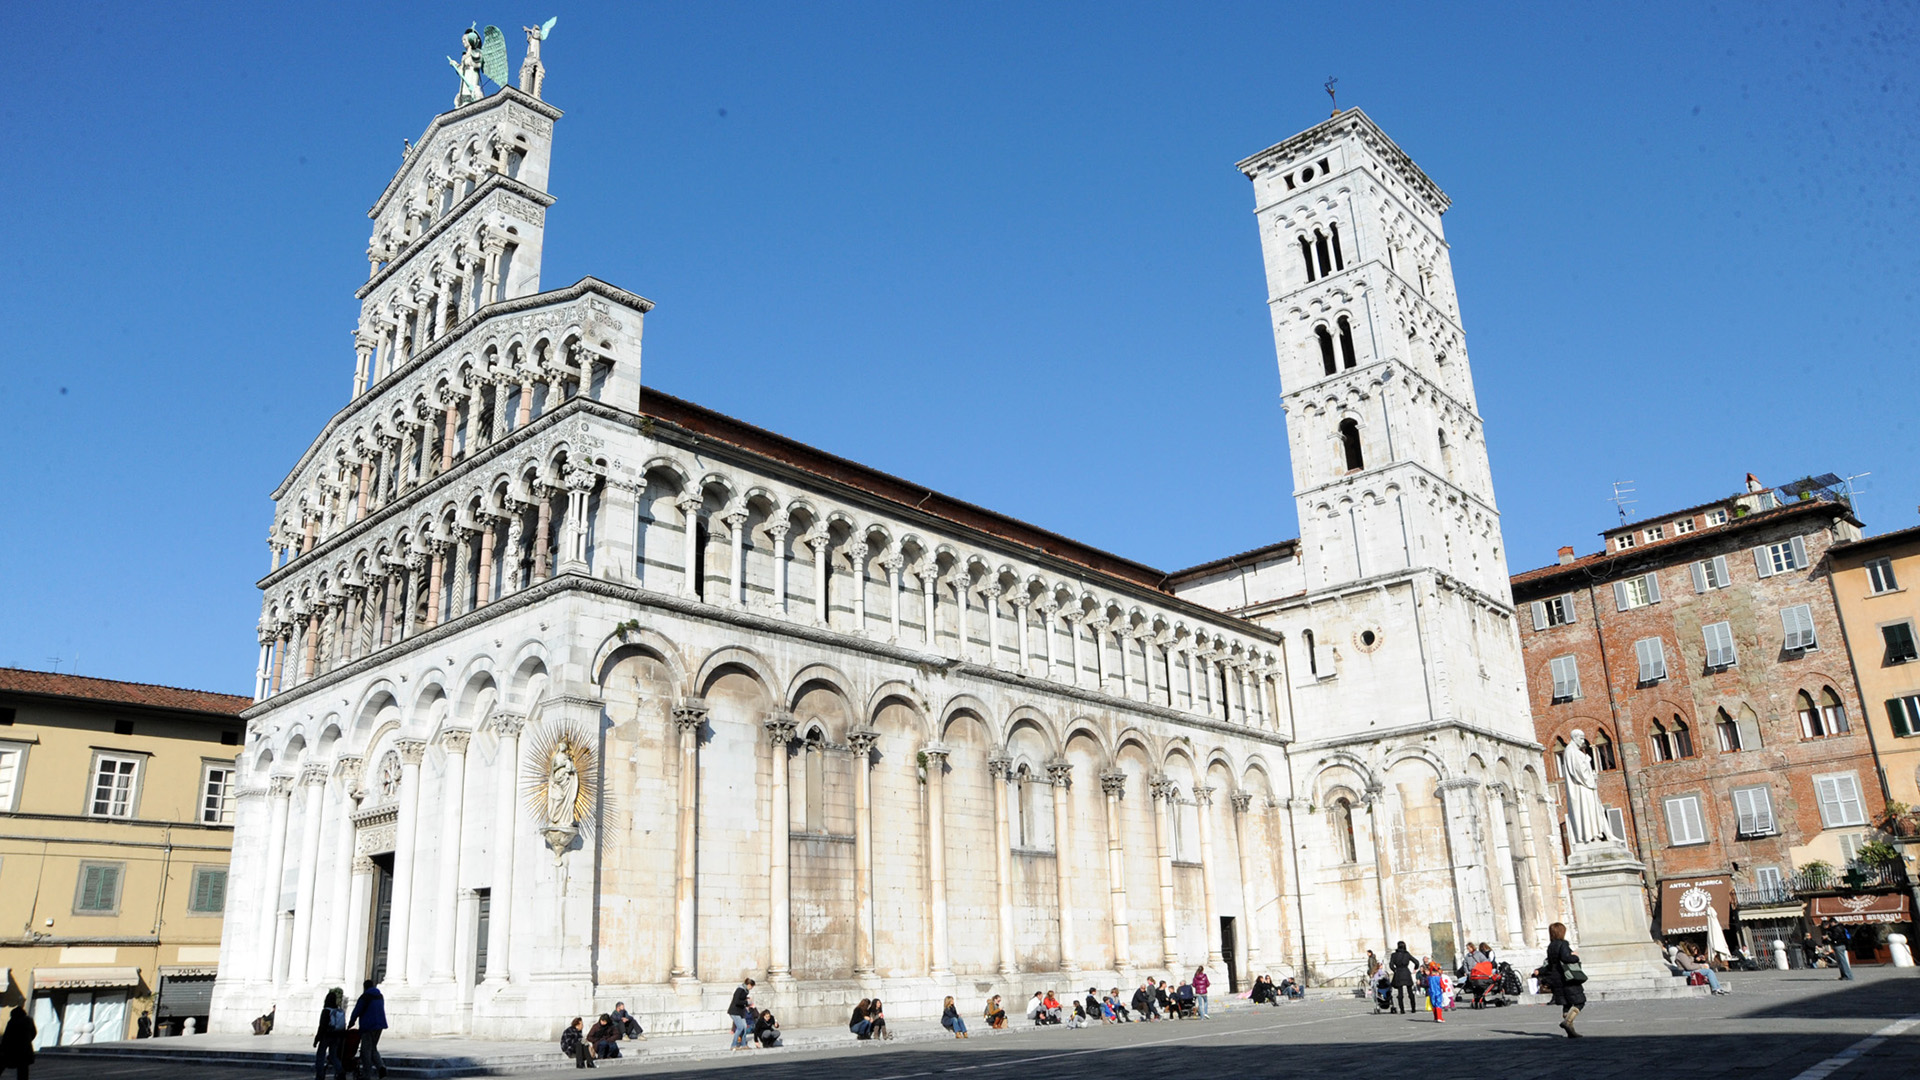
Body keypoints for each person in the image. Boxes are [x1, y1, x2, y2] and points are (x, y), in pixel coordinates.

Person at [1538, 921, 1587, 1038]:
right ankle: (1568, 1022)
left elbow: (1549, 964)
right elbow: (1566, 958)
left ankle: (1571, 1031)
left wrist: (1540, 971)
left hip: (1556, 978)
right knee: (1580, 1001)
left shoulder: (1550, 946)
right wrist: (1575, 956)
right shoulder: (1563, 944)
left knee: (1566, 1003)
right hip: (1566, 977)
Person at [349, 980, 389, 1079]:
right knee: (373, 1048)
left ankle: (367, 1074)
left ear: (365, 987)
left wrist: (351, 1022)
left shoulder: (365, 997)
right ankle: (381, 1067)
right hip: (379, 1025)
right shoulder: (380, 996)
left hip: (368, 1026)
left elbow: (357, 1010)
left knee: (365, 1051)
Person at [312, 989, 349, 1080]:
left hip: (326, 1035)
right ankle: (340, 1071)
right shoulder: (339, 1011)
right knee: (333, 1056)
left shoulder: (326, 1011)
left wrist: (317, 1039)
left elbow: (322, 1026)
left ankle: (320, 1075)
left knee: (320, 1055)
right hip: (336, 1036)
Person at [1, 1007, 37, 1080]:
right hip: (26, 1049)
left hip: (13, 1048)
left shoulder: (13, 1021)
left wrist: (3, 1047)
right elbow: (34, 1032)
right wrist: (28, 1040)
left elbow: (7, 1036)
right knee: (23, 1070)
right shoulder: (29, 1020)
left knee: (2, 1064)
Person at [1389, 941, 1417, 1015]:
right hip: (1406, 972)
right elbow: (1416, 962)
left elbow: (1391, 965)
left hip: (1398, 972)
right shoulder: (1407, 954)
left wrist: (1395, 970)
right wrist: (1415, 968)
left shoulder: (1394, 955)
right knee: (1410, 992)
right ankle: (1413, 1008)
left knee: (1400, 993)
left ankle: (1402, 1010)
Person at [729, 979, 756, 1050]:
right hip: (735, 1011)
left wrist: (745, 999)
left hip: (740, 1012)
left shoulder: (745, 991)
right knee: (740, 1027)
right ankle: (733, 1045)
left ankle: (744, 1044)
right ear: (749, 985)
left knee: (744, 1027)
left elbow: (741, 999)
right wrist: (746, 1002)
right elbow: (736, 1001)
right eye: (751, 987)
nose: (751, 988)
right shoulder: (740, 990)